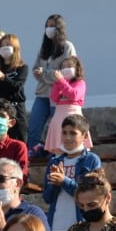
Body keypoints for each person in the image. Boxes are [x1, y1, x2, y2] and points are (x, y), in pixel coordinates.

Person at [42, 115, 100, 231]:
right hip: (56, 227)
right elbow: (47, 198)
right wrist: (55, 184)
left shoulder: (91, 160)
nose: (67, 138)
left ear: (85, 136)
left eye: (73, 133)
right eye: (64, 133)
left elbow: (91, 194)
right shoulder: (54, 161)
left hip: (81, 225)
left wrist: (64, 181)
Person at [28, 16, 76, 153]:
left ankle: (58, 154)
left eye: (52, 26)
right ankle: (33, 153)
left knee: (58, 128)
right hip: (42, 93)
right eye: (47, 26)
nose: (49, 29)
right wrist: (44, 74)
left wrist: (45, 74)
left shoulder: (67, 47)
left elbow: (67, 72)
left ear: (59, 28)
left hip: (59, 96)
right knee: (34, 127)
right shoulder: (43, 49)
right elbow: (36, 70)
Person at [44, 55, 87, 156]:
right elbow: (54, 97)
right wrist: (57, 83)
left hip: (74, 118)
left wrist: (62, 82)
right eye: (63, 67)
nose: (66, 68)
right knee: (59, 151)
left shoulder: (80, 82)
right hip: (59, 118)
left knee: (77, 150)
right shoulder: (59, 83)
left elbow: (74, 95)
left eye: (69, 66)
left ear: (76, 68)